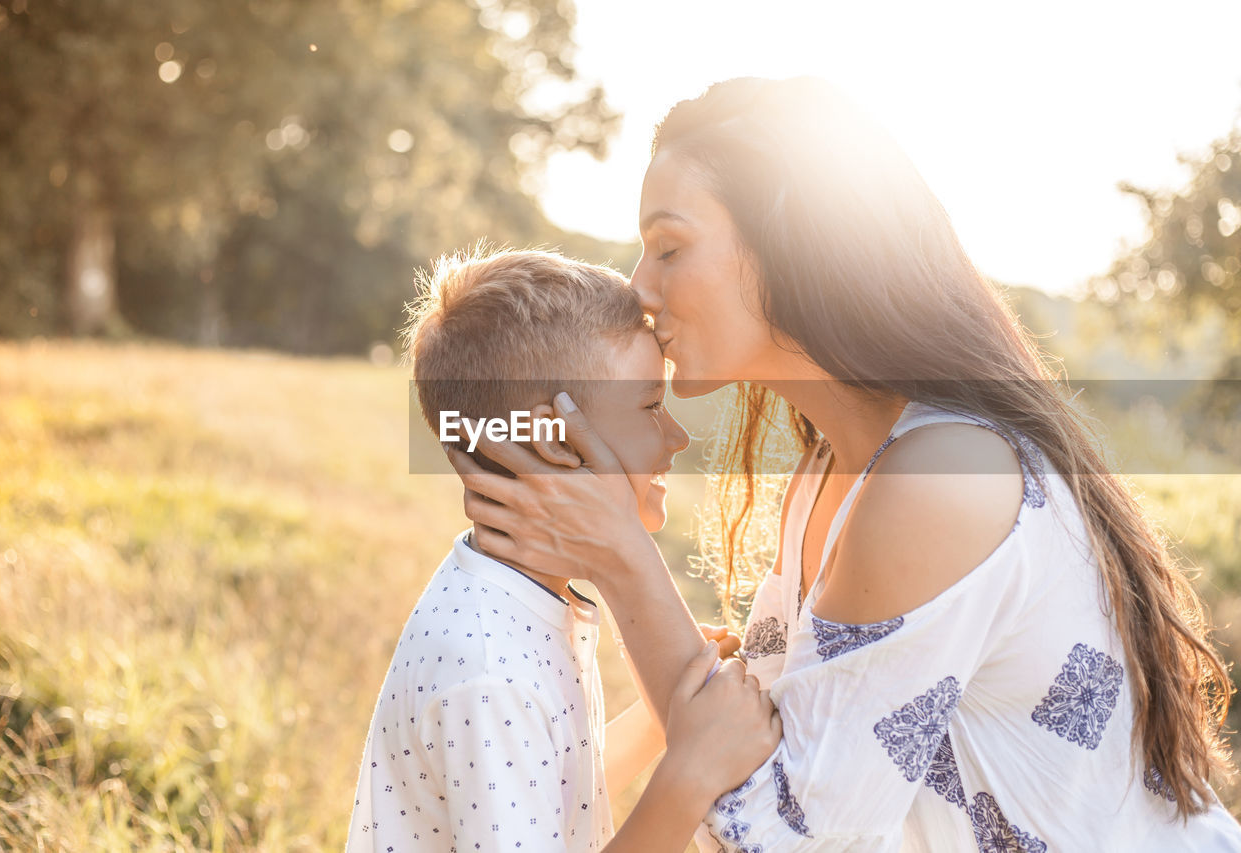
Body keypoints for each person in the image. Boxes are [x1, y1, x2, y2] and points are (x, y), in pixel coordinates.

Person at [448, 78, 1241, 850]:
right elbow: (749, 751)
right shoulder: (833, 470)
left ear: (789, 241)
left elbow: (780, 838)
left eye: (670, 246)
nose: (640, 287)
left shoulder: (939, 479)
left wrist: (625, 562)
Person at [346, 248, 780, 853]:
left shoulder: (513, 601)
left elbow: (547, 801)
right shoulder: (488, 668)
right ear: (554, 437)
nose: (677, 437)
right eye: (652, 405)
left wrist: (662, 725)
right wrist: (691, 774)